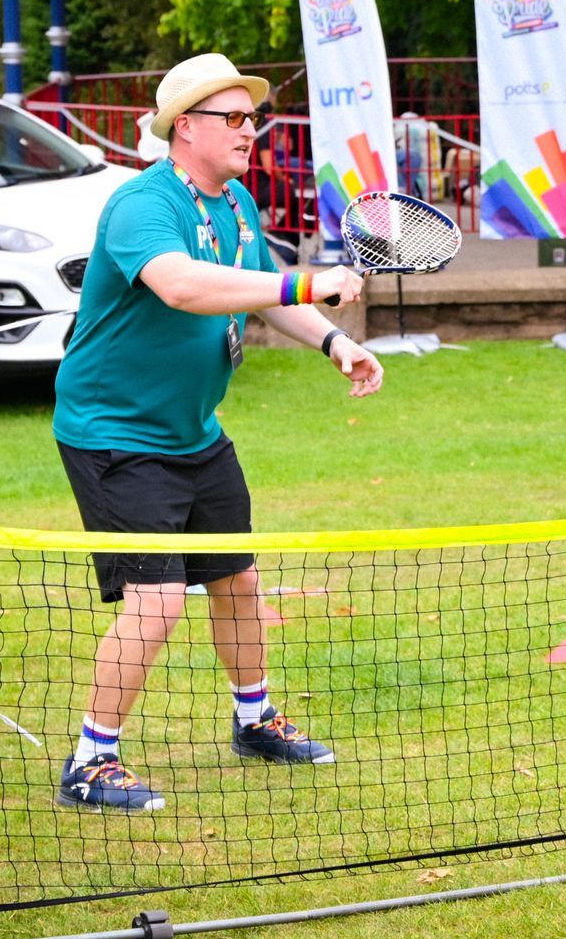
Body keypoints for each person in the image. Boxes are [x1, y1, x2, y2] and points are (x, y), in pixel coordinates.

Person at [52, 52, 384, 812]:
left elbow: (259, 286)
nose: (250, 130)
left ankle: (254, 719)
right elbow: (182, 285)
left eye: (251, 117)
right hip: (113, 434)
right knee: (158, 598)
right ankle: (90, 759)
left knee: (238, 580)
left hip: (193, 430)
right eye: (232, 118)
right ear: (184, 129)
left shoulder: (235, 205)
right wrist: (307, 280)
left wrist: (335, 341)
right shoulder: (144, 205)